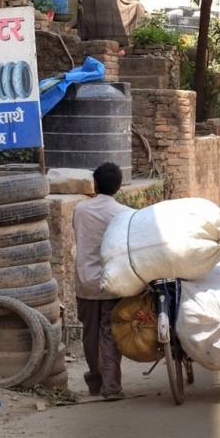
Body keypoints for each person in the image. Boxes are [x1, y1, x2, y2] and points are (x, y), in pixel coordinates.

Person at [73, 162, 131, 399]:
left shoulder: (80, 209)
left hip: (85, 281)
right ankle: (111, 386)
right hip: (112, 282)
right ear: (118, 186)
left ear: (95, 184)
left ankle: (95, 381)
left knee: (90, 333)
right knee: (110, 332)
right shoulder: (123, 213)